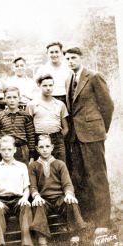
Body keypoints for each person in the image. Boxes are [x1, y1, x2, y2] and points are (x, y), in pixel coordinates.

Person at [65, 47, 114, 234]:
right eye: (68, 58)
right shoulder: (69, 79)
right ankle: (88, 220)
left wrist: (102, 129)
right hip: (76, 137)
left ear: (81, 58)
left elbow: (107, 106)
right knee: (81, 177)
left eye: (74, 58)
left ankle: (103, 222)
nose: (70, 61)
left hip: (93, 134)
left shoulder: (94, 76)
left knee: (98, 177)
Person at [29, 135, 86, 246]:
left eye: (47, 146)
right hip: (44, 199)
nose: (44, 149)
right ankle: (42, 237)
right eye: (41, 147)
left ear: (52, 147)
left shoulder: (60, 164)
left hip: (59, 198)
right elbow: (33, 186)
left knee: (71, 202)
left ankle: (74, 234)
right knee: (38, 205)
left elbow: (67, 184)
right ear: (37, 149)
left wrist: (69, 194)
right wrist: (36, 196)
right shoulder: (33, 166)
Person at [0, 135, 33, 246]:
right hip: (2, 200)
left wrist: (24, 198)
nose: (6, 152)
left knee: (26, 207)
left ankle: (27, 243)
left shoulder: (22, 166)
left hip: (18, 200)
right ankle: (0, 244)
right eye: (3, 150)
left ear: (14, 150)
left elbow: (26, 187)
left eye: (9, 149)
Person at [26, 74, 68, 162]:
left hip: (57, 140)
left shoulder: (60, 104)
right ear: (39, 86)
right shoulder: (32, 104)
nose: (48, 88)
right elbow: (28, 127)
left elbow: (65, 128)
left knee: (59, 166)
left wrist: (57, 137)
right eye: (45, 85)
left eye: (50, 85)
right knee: (41, 169)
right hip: (39, 139)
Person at [0, 86, 36, 164]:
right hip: (5, 150)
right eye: (9, 97)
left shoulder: (26, 116)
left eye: (15, 97)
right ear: (5, 99)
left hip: (22, 150)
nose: (12, 100)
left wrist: (32, 157)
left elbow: (31, 137)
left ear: (19, 98)